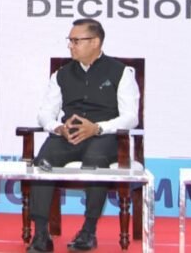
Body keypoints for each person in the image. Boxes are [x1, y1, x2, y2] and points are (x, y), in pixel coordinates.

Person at [27, 18, 139, 252]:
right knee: (43, 162)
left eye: (76, 41)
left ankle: (88, 231)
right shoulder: (61, 74)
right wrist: (57, 128)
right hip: (69, 136)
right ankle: (41, 233)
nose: (70, 45)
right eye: (70, 41)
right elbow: (45, 113)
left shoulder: (120, 72)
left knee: (94, 161)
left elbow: (131, 117)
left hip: (104, 137)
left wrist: (98, 128)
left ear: (95, 42)